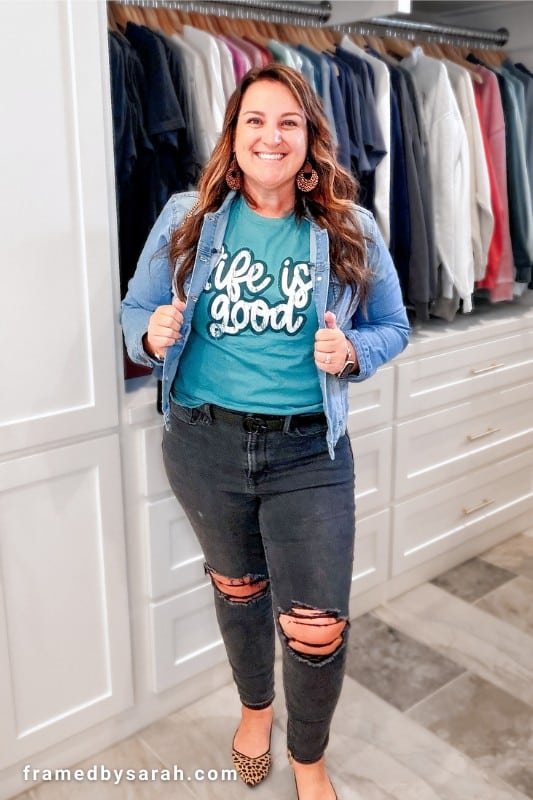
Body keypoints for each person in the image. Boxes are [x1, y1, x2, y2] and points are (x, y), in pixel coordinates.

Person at [121, 63, 409, 800]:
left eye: (288, 122)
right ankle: (256, 712)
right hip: (202, 444)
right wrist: (149, 335)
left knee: (315, 625)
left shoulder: (350, 227)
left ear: (310, 139)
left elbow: (393, 328)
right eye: (255, 120)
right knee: (239, 591)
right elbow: (133, 313)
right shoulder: (188, 216)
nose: (270, 135)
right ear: (234, 135)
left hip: (307, 453)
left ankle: (307, 759)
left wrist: (351, 353)